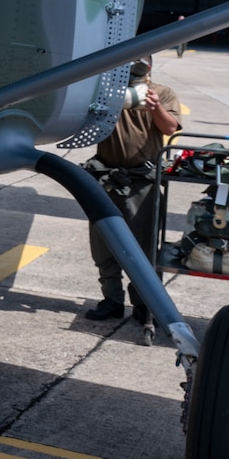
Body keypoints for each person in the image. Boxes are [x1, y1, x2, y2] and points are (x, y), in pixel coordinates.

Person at [83, 58, 181, 323]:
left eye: (139, 62)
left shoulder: (162, 93)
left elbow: (170, 128)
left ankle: (143, 303)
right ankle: (111, 300)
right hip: (106, 177)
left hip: (142, 181)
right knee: (103, 245)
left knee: (144, 247)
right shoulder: (106, 92)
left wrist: (155, 107)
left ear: (149, 66)